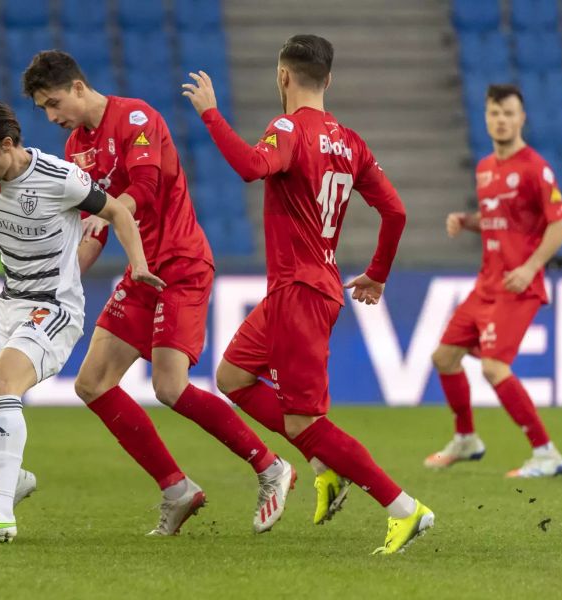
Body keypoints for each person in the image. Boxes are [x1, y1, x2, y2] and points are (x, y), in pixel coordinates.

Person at [22, 50, 295, 536]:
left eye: (54, 101)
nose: (51, 115)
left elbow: (143, 189)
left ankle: (271, 467)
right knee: (92, 383)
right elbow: (94, 229)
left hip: (180, 264)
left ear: (79, 87)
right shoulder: (75, 147)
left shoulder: (135, 117)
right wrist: (61, 284)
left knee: (169, 387)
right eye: (43, 107)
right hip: (140, 272)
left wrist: (112, 216)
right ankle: (176, 488)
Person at [182, 34, 434, 554]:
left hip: (300, 291)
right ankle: (325, 465)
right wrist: (378, 273)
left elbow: (252, 167)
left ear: (283, 76)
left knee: (303, 420)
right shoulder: (352, 140)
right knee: (231, 375)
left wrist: (211, 115)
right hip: (303, 289)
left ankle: (404, 508)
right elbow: (397, 211)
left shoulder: (287, 128)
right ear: (329, 79)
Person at [0, 96, 164, 541]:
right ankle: (14, 480)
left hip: (53, 308)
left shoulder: (60, 178)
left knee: (2, 386)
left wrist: (140, 264)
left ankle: (1, 511)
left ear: (8, 144)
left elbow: (116, 211)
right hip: (8, 304)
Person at [424, 84, 562, 478]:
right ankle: (467, 439)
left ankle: (546, 453)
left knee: (493, 367)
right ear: (486, 117)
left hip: (517, 286)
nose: (501, 120)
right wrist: (468, 222)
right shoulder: (485, 167)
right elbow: (501, 222)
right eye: (494, 113)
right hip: (487, 283)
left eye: (508, 113)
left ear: (522, 118)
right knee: (444, 358)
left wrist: (530, 267)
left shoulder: (534, 167)